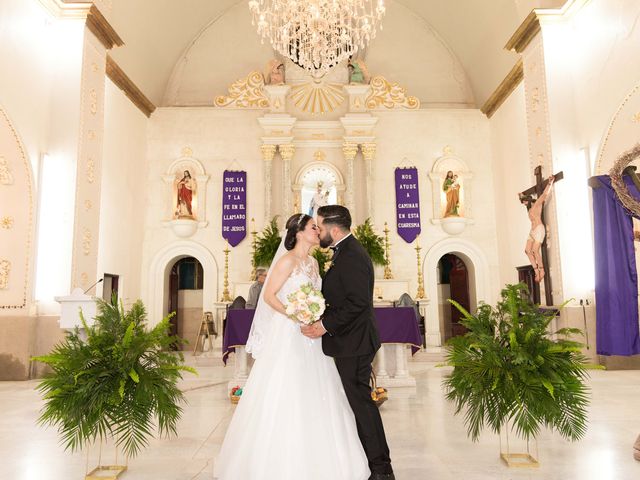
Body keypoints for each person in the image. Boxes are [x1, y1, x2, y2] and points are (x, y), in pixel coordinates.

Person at [215, 213, 369, 480]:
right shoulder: (287, 261)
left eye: (318, 227)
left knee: (318, 389)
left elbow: (319, 296)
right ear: (299, 232)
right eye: (313, 227)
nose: (317, 231)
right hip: (288, 332)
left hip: (311, 334)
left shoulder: (313, 263)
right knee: (287, 388)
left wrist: (315, 314)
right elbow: (269, 296)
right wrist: (294, 313)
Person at [302, 205, 395, 480]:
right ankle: (376, 466)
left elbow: (358, 303)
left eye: (320, 227)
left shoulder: (352, 255)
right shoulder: (344, 252)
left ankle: (381, 470)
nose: (318, 232)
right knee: (360, 405)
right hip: (349, 342)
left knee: (363, 407)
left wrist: (324, 325)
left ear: (334, 229)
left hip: (354, 343)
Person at [520, 176, 554, 282]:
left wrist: (549, 183)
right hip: (532, 231)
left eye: (524, 202)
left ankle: (541, 270)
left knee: (535, 251)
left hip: (539, 229)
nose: (524, 204)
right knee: (527, 251)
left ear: (528, 200)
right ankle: (536, 271)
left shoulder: (537, 205)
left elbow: (544, 195)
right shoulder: (529, 209)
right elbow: (523, 199)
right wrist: (520, 195)